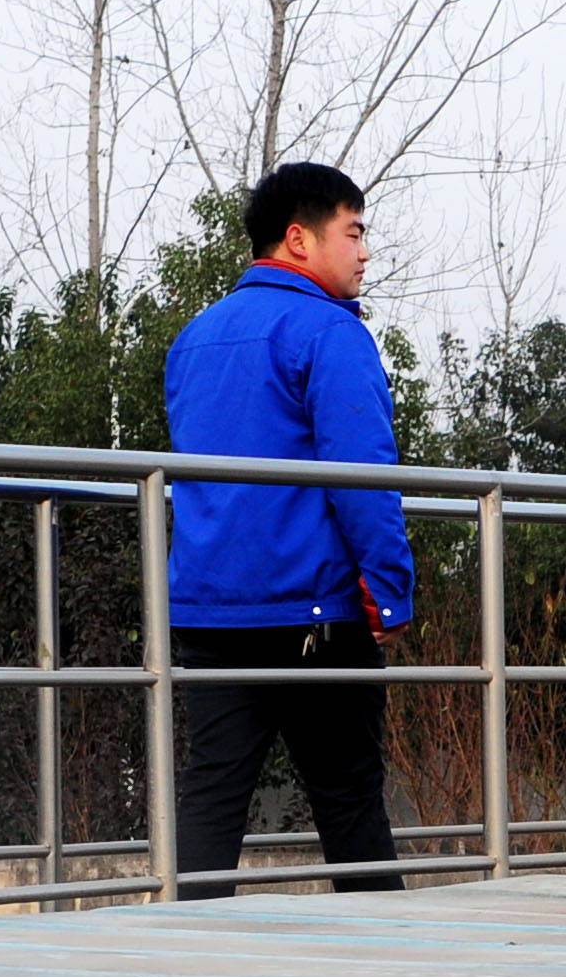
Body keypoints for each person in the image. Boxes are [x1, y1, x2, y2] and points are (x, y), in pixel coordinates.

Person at [159, 160, 416, 897]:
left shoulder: (196, 337)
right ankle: (387, 976)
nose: (365, 252)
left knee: (211, 800)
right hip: (316, 615)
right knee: (350, 803)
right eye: (355, 232)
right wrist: (391, 593)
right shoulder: (330, 333)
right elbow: (363, 476)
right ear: (299, 239)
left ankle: (184, 963)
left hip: (211, 609)